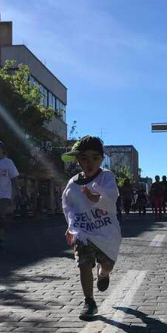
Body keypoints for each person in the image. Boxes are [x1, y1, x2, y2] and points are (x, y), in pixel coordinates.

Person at [61, 136, 122, 321]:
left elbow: (112, 198)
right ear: (78, 160)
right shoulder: (72, 185)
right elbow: (68, 207)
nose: (89, 163)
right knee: (83, 264)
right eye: (84, 158)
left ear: (101, 159)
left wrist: (96, 197)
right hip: (84, 232)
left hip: (106, 232)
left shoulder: (107, 177)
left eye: (95, 158)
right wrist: (71, 227)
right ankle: (89, 301)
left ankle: (103, 275)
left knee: (108, 265)